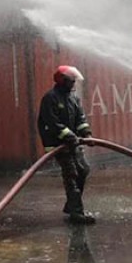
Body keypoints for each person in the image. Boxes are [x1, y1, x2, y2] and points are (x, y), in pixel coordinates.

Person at [38, 65, 96, 224]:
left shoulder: (73, 98)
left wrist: (87, 134)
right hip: (58, 144)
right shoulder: (50, 98)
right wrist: (69, 136)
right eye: (71, 81)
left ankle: (71, 205)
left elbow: (80, 119)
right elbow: (52, 123)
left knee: (83, 170)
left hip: (73, 143)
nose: (74, 84)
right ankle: (77, 213)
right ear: (62, 81)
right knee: (72, 174)